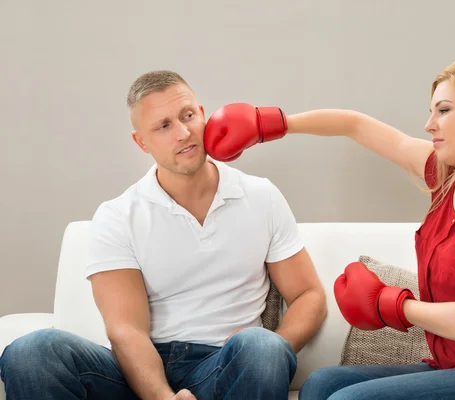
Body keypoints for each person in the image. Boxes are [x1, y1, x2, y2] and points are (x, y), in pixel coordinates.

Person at [201, 58, 455, 399]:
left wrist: (392, 304)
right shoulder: (445, 180)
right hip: (454, 365)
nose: (429, 125)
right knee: (320, 384)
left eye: (443, 110)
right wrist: (271, 124)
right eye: (431, 112)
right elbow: (354, 125)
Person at [0, 70, 327, 400]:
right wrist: (161, 397)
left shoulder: (261, 196)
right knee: (31, 353)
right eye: (164, 126)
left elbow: (308, 295)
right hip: (137, 368)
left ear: (202, 115)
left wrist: (271, 349)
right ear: (142, 141)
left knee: (263, 345)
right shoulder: (118, 215)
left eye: (187, 116)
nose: (183, 133)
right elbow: (126, 328)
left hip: (223, 366)